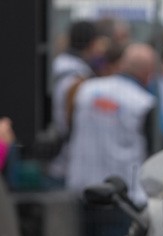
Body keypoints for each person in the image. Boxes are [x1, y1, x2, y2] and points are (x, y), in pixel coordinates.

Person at [65, 42, 157, 236]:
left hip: (83, 187)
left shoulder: (88, 91)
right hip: (121, 193)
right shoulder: (143, 101)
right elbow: (152, 149)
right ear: (147, 73)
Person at [47, 20, 106, 187]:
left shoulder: (55, 66)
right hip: (66, 161)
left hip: (54, 156)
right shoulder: (79, 78)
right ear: (93, 43)